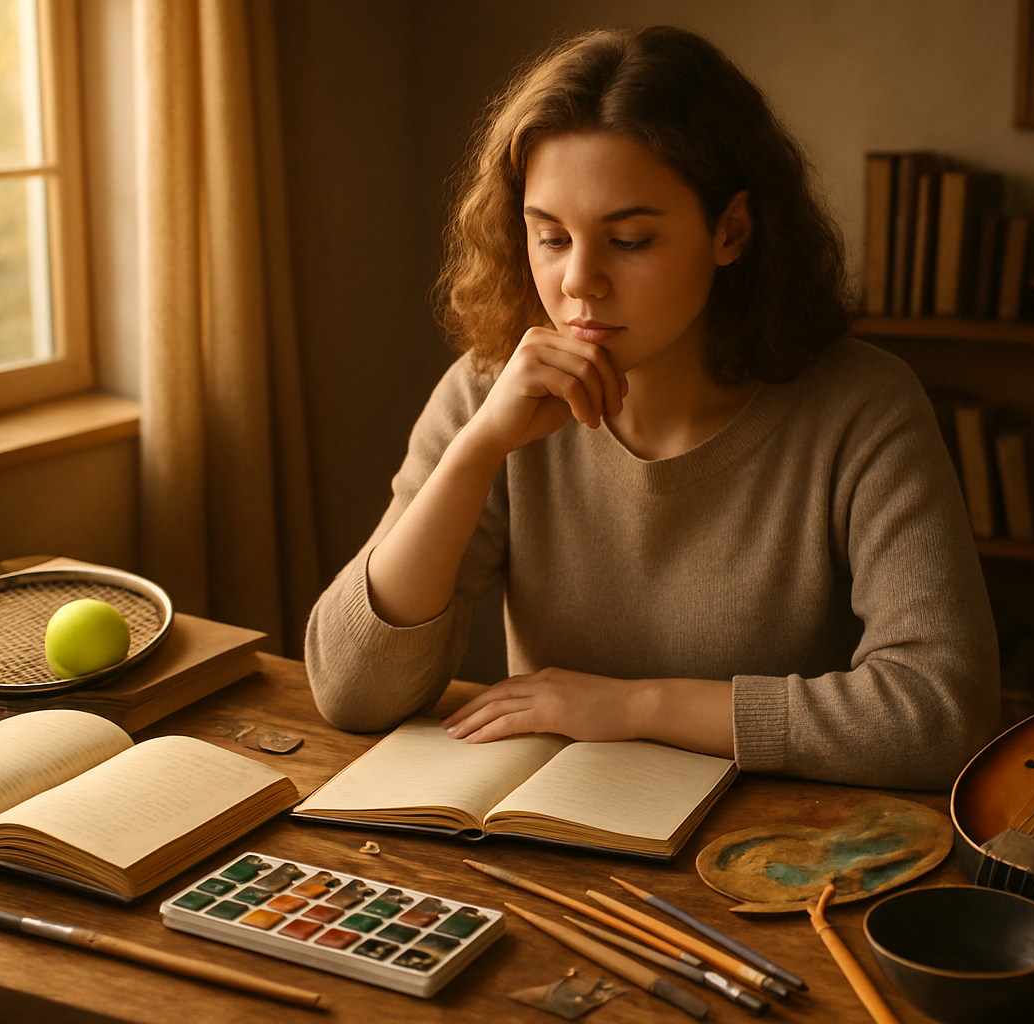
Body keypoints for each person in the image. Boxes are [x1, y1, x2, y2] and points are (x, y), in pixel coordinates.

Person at [305, 25, 998, 791]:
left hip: (776, 856)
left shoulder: (863, 408)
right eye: (550, 237)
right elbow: (351, 691)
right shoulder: (490, 390)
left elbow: (941, 712)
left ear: (730, 230)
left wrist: (636, 706)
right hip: (554, 840)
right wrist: (476, 452)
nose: (579, 282)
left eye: (629, 240)